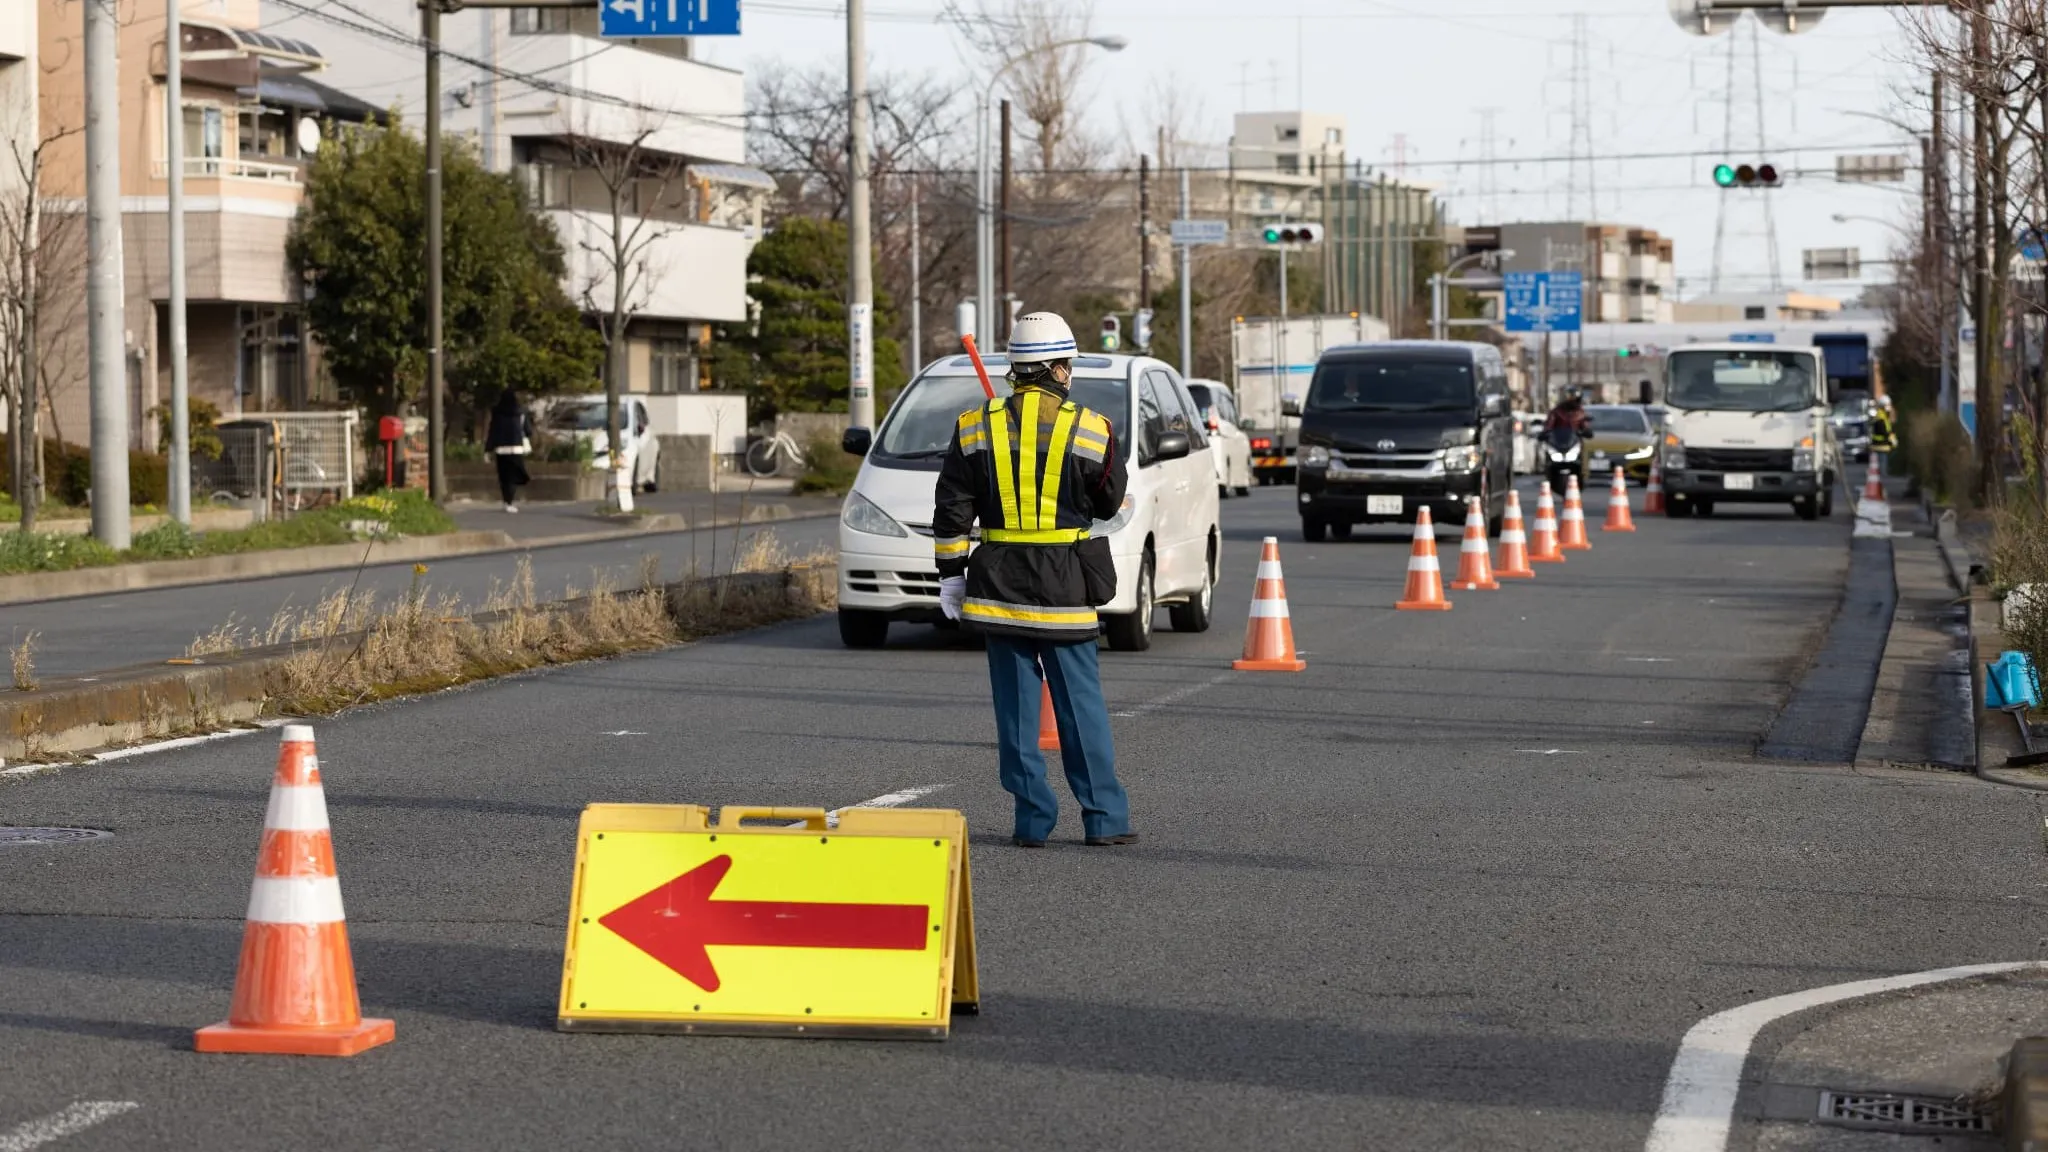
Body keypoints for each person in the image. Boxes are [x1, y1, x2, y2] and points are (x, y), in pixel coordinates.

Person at [932, 312, 1137, 849]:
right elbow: (1110, 501)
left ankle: (1031, 820)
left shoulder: (974, 425)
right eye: (1068, 364)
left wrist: (951, 576)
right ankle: (1104, 820)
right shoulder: (1092, 427)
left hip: (999, 587)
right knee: (1081, 709)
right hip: (1066, 586)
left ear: (1017, 368)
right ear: (1058, 369)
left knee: (1018, 715)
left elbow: (952, 509)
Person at [485, 388, 535, 513]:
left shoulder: (497, 413)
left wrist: (488, 449)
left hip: (501, 450)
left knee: (504, 477)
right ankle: (511, 499)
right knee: (514, 475)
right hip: (516, 448)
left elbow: (492, 432)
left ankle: (507, 501)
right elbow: (528, 431)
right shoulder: (520, 412)